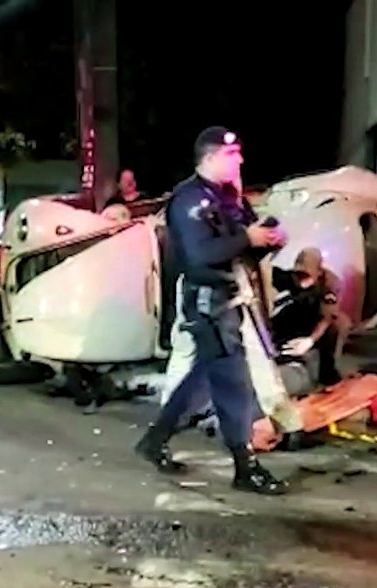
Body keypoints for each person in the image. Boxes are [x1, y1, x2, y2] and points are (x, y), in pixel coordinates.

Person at [135, 126, 288, 495]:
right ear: (211, 158)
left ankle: (156, 440)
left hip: (229, 299)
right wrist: (246, 238)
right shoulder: (189, 200)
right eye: (233, 156)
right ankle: (245, 466)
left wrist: (265, 241)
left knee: (205, 379)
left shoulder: (228, 198)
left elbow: (241, 248)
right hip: (208, 303)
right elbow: (200, 255)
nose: (240, 161)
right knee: (233, 383)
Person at [270, 247, 344, 387]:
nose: (302, 280)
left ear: (318, 272)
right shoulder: (291, 278)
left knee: (339, 324)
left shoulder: (330, 283)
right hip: (298, 313)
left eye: (306, 275)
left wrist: (309, 341)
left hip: (318, 317)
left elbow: (327, 317)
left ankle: (327, 372)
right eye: (299, 274)